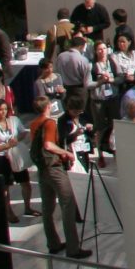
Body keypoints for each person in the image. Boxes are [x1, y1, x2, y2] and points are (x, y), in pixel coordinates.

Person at [28, 99, 88, 258]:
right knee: (67, 204)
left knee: (47, 209)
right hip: (54, 168)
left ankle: (53, 243)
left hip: (42, 169)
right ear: (48, 107)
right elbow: (48, 145)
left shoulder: (34, 124)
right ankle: (73, 248)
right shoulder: (49, 123)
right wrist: (65, 153)